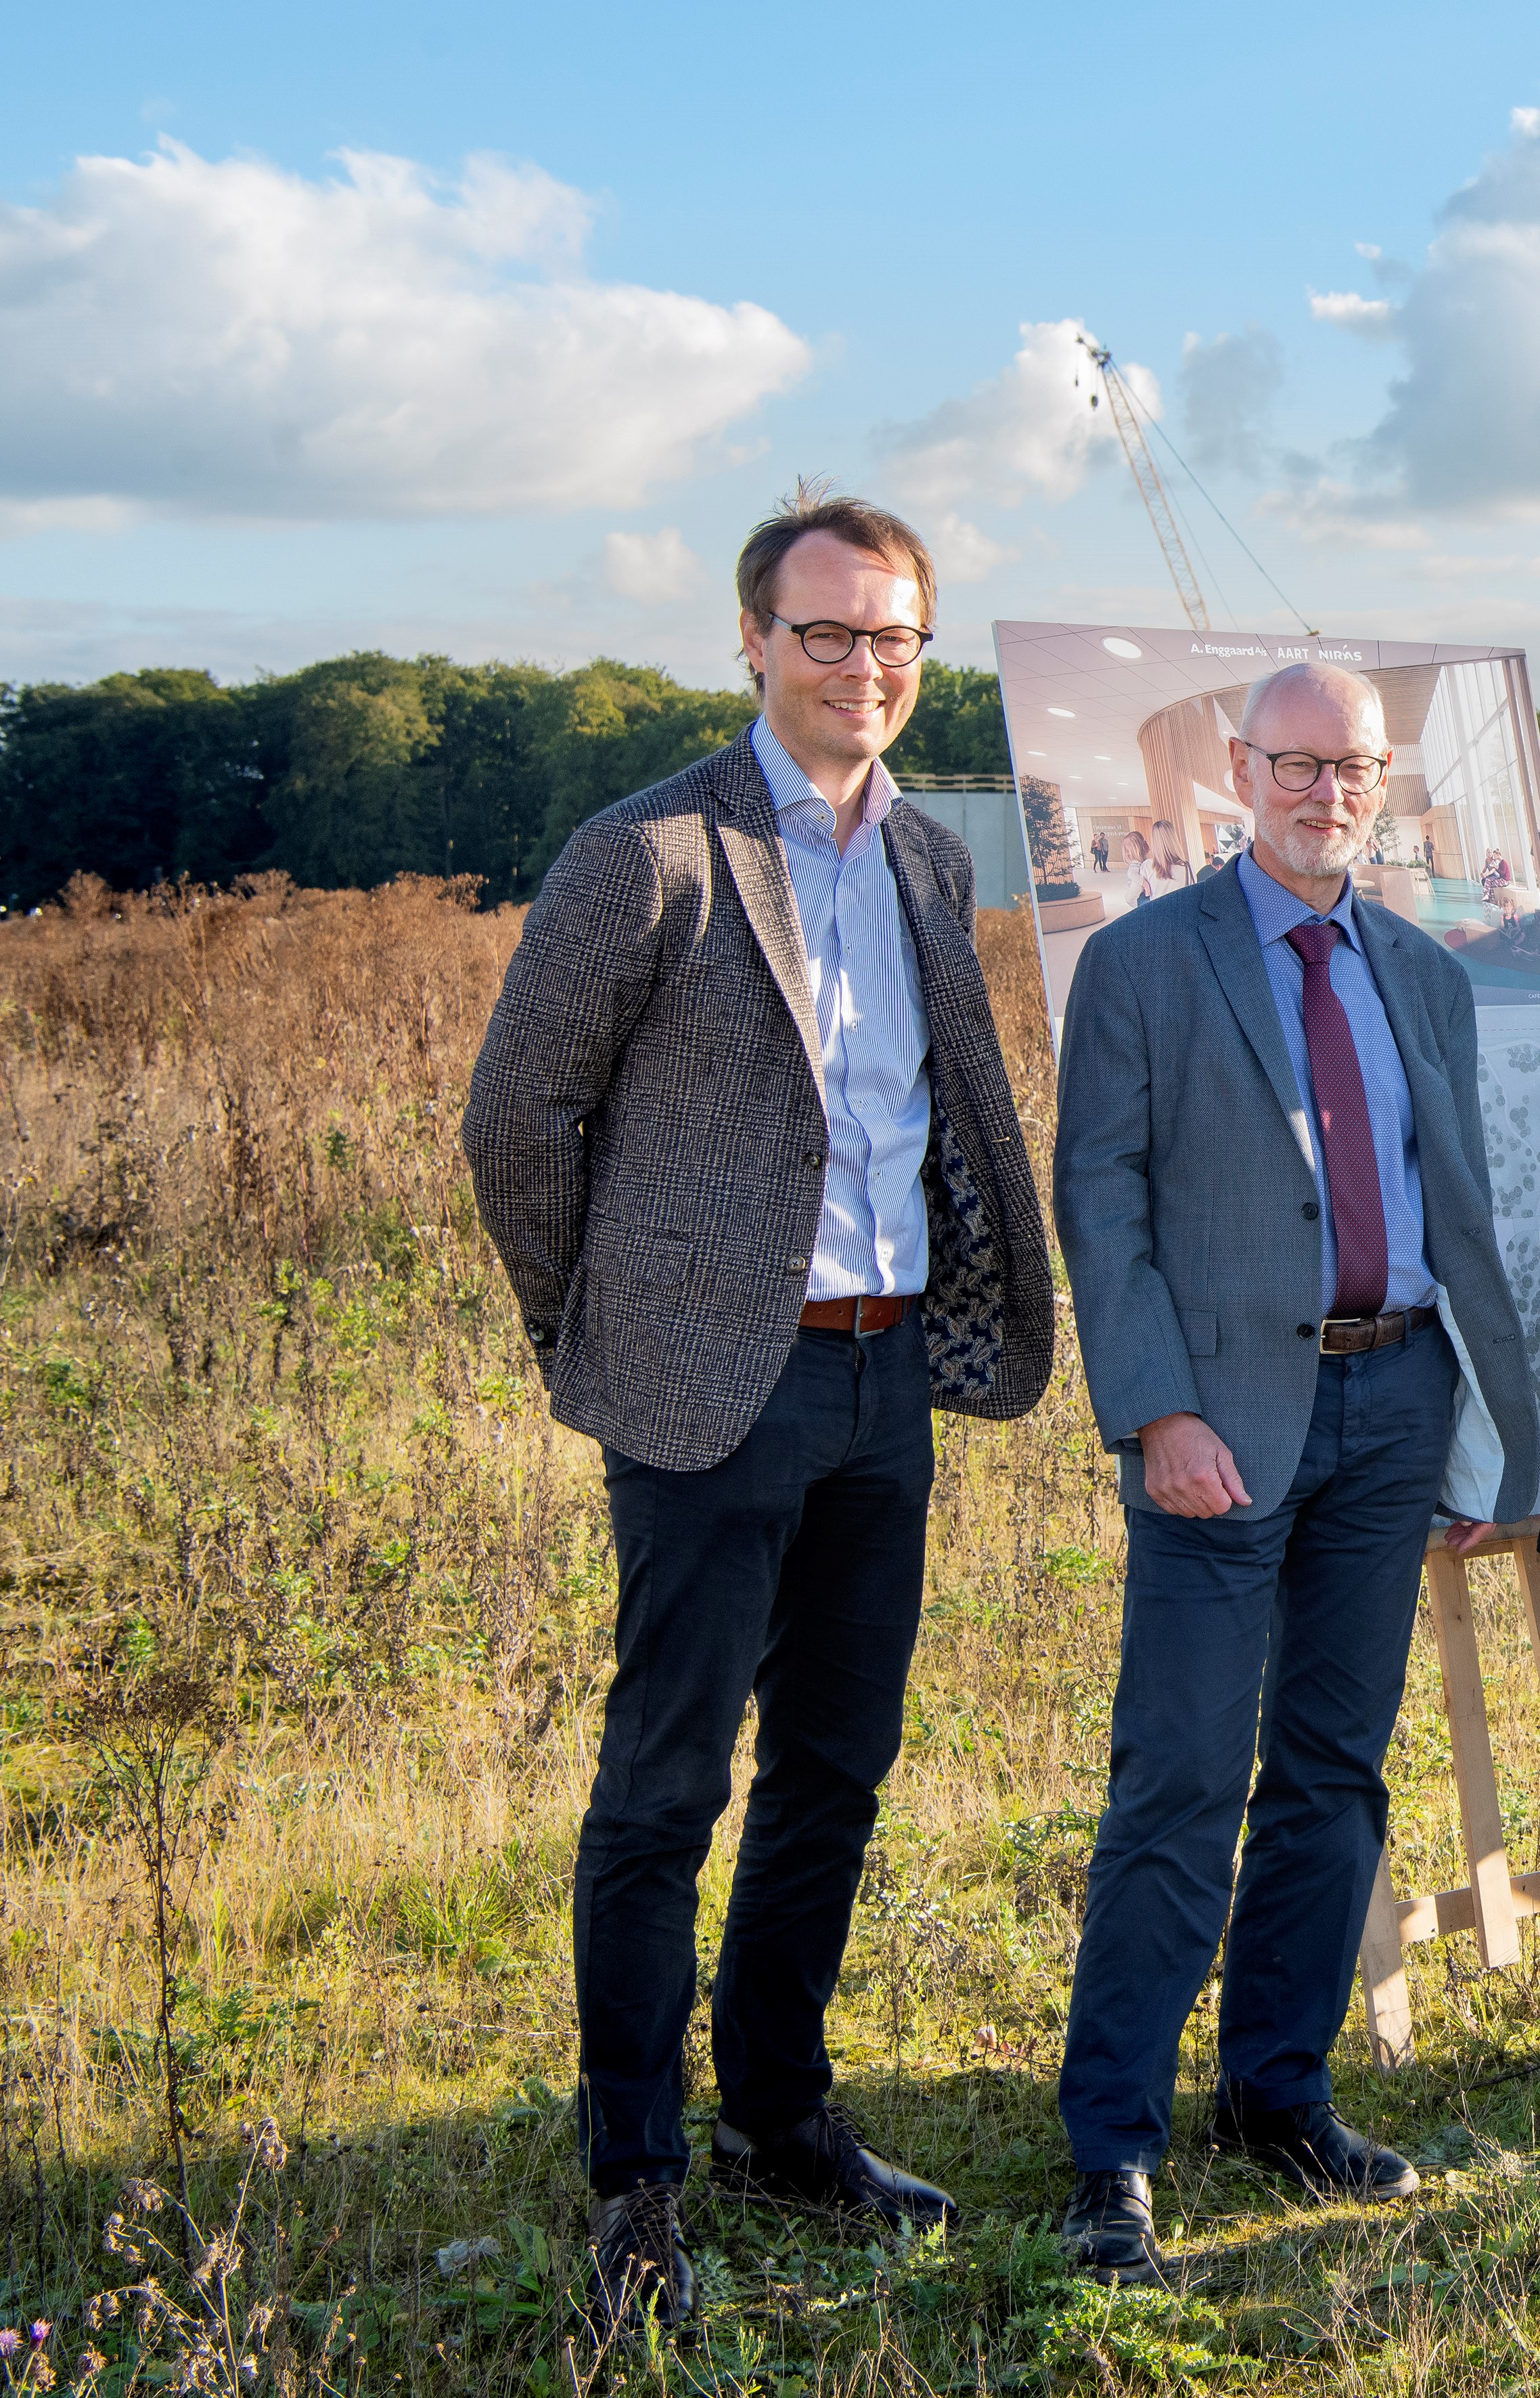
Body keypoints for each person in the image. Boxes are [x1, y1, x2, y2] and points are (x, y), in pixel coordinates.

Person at [461, 488, 1058, 2342]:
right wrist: (609, 1328)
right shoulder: (645, 856)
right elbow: (513, 1122)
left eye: (894, 638)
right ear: (751, 643)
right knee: (662, 1789)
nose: (863, 668)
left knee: (835, 1768)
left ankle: (780, 2120)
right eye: (827, 634)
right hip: (713, 1390)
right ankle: (635, 2181)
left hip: (887, 1378)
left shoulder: (936, 865)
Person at [1049, 660, 1540, 2280]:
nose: (1328, 788)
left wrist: (1490, 1427)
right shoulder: (1140, 963)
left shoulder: (1427, 968)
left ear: (1387, 780)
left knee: (1334, 1771)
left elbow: (1456, 1207)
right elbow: (1103, 1207)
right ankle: (1113, 2145)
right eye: (1298, 761)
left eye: (1357, 765)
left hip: (1395, 1408)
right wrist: (1153, 1411)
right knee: (1182, 1778)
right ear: (1242, 767)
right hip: (1221, 1423)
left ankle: (1278, 2089)